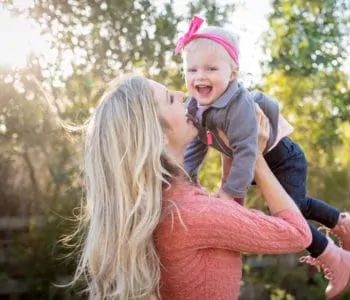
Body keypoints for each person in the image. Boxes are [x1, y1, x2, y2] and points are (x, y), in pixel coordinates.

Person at [177, 16, 350, 299]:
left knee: (288, 217)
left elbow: (247, 151)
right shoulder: (195, 105)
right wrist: (186, 177)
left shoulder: (238, 105)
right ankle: (348, 228)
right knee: (300, 204)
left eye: (211, 68)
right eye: (191, 69)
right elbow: (198, 143)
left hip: (285, 161)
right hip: (264, 166)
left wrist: (230, 193)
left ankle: (339, 261)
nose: (199, 76)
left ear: (233, 73)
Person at [70, 73, 317, 299]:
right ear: (159, 135)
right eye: (169, 98)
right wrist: (257, 160)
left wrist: (232, 147)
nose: (180, 94)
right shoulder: (189, 214)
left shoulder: (167, 199)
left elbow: (228, 214)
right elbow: (297, 233)